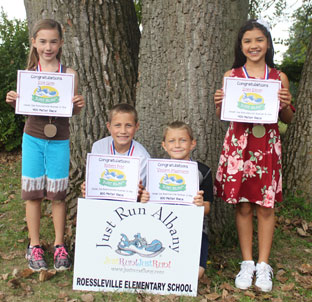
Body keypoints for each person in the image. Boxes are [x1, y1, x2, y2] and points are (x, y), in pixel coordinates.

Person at [213, 19, 294, 292]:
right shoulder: (232, 76)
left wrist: (284, 104)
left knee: (265, 206)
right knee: (244, 205)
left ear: (267, 44)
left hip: (267, 145)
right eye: (247, 41)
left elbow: (288, 119)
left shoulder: (278, 77)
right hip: (239, 146)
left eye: (258, 40)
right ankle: (247, 262)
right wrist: (219, 104)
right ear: (241, 46)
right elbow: (223, 116)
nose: (253, 45)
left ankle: (263, 265)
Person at [6, 19, 85, 272]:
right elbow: (24, 106)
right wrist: (13, 100)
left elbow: (70, 110)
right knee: (33, 193)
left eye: (53, 41)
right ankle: (35, 245)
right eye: (42, 41)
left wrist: (77, 106)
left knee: (58, 194)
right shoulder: (28, 75)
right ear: (34, 43)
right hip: (33, 138)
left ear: (61, 43)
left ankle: (60, 244)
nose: (48, 47)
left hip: (59, 139)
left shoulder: (69, 75)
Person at [141, 121, 213, 279]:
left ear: (192, 143)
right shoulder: (155, 170)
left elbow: (207, 208)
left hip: (193, 230)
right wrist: (144, 200)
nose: (177, 145)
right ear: (164, 145)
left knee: (196, 274)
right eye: (172, 141)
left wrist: (200, 205)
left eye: (183, 140)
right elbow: (146, 206)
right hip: (160, 228)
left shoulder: (203, 171)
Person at [80, 103, 150, 197]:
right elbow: (95, 179)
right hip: (101, 200)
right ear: (109, 127)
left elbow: (135, 191)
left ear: (136, 127)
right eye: (117, 125)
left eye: (128, 125)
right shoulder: (99, 147)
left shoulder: (142, 156)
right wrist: (88, 188)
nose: (123, 131)